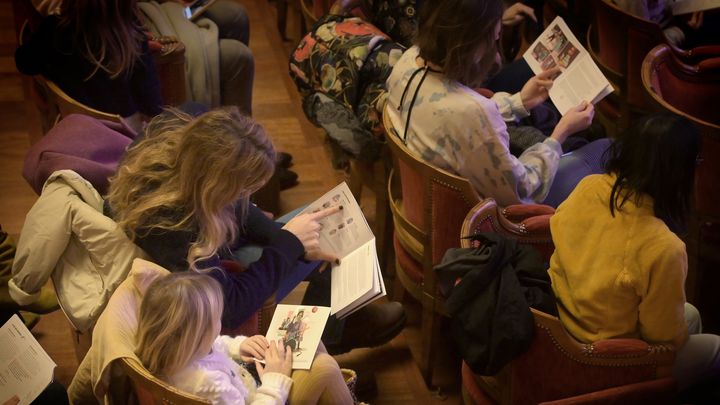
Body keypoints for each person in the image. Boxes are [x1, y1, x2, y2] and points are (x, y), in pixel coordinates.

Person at [106, 107, 404, 352]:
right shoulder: (175, 226)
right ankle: (321, 342)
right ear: (219, 186)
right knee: (315, 240)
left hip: (214, 255)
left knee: (323, 229)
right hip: (206, 311)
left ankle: (335, 324)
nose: (247, 196)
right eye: (244, 187)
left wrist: (286, 238)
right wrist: (288, 243)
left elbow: (238, 207)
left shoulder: (185, 149)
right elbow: (230, 308)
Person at [548, 114, 720, 394]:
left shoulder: (588, 186)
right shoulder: (663, 246)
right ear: (681, 172)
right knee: (715, 348)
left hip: (561, 322)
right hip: (607, 358)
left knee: (692, 315)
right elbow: (664, 339)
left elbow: (556, 232)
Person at [385, 0, 611, 207]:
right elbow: (522, 190)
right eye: (494, 37)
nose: (495, 43)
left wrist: (520, 101)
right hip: (481, 222)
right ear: (473, 46)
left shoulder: (407, 61)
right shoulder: (473, 113)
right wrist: (560, 134)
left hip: (426, 200)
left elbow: (449, 114)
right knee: (608, 149)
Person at [136, 271, 354, 404]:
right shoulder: (209, 385)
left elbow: (215, 345)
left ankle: (338, 394)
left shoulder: (176, 353)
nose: (219, 326)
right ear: (194, 337)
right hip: (264, 396)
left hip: (250, 383)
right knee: (324, 367)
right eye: (215, 320)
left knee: (312, 344)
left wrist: (239, 346)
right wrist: (274, 379)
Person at [15, 0, 163, 132]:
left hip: (77, 131)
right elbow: (150, 97)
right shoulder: (134, 36)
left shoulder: (54, 31)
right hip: (126, 134)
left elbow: (24, 63)